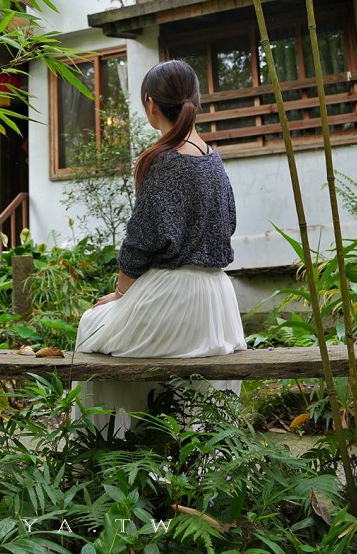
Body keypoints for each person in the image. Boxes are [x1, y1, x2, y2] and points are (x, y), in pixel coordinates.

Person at [73, 59, 246, 438]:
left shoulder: (163, 162)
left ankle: (105, 448)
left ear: (151, 105)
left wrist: (120, 296)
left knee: (90, 328)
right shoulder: (213, 160)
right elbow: (228, 224)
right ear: (195, 102)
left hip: (175, 302)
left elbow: (140, 242)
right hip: (217, 306)